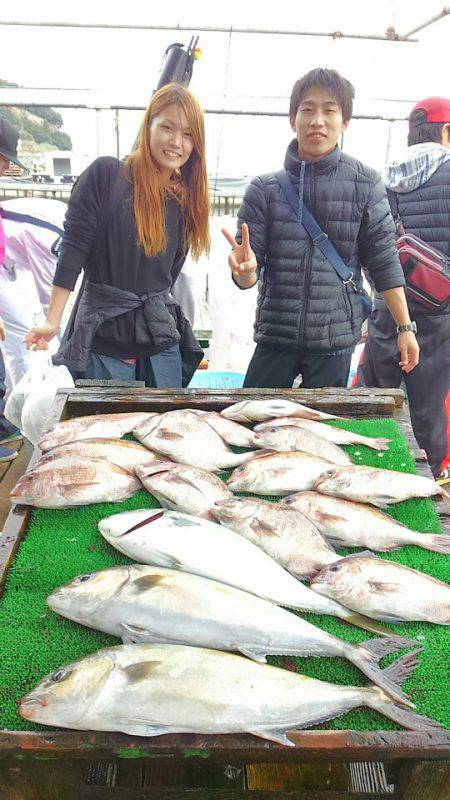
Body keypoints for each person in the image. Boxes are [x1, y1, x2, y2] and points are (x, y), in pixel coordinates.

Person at [222, 68, 419, 389]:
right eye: (307, 109)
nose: (317, 120)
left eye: (329, 110)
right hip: (276, 335)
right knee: (253, 425)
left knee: (324, 429)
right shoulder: (264, 189)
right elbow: (247, 273)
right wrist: (243, 271)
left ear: (344, 123)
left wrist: (405, 328)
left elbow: (384, 263)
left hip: (334, 340)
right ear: (292, 119)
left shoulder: (366, 184)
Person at [25, 84, 210, 387]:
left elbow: (169, 275)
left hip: (160, 341)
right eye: (167, 127)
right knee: (106, 428)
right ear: (148, 124)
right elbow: (73, 250)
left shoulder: (186, 202)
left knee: (163, 428)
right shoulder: (107, 175)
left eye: (188, 134)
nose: (177, 142)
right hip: (103, 339)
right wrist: (52, 321)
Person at [354, 97, 450, 482]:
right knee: (436, 407)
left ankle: (358, 467)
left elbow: (369, 246)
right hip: (441, 314)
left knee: (371, 397)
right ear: (445, 131)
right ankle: (442, 476)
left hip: (389, 309)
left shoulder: (383, 178)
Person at [0, 196, 66, 387]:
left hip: (14, 261)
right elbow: (51, 296)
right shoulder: (54, 236)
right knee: (21, 335)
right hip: (6, 259)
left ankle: (16, 397)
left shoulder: (67, 221)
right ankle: (20, 402)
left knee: (24, 332)